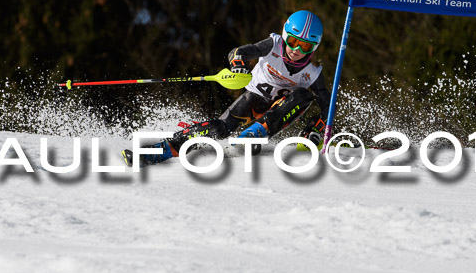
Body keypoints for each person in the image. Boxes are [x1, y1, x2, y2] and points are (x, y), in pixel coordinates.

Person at [122, 10, 331, 167]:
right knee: (219, 129)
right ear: (285, 36)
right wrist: (238, 64)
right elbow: (238, 51)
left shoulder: (313, 72)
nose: (296, 50)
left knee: (303, 95)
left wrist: (318, 128)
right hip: (254, 99)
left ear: (313, 48)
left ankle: (255, 134)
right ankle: (165, 149)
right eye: (293, 41)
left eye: (304, 46)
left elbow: (327, 105)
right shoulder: (273, 45)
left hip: (280, 112)